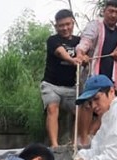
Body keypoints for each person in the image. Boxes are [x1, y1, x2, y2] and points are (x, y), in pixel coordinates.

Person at [75, 0, 117, 147]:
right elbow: (85, 42)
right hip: (94, 74)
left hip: (112, 77)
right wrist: (81, 53)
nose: (113, 15)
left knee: (107, 107)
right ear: (104, 10)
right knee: (87, 105)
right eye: (110, 11)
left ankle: (93, 137)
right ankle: (82, 140)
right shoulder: (95, 26)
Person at [40, 9, 84, 149]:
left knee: (81, 112)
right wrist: (73, 60)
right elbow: (60, 52)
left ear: (73, 23)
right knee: (52, 108)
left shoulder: (80, 41)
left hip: (71, 87)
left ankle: (74, 142)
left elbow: (84, 53)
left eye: (67, 24)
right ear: (56, 26)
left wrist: (84, 58)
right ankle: (55, 145)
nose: (65, 28)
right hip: (51, 85)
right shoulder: (53, 40)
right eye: (61, 26)